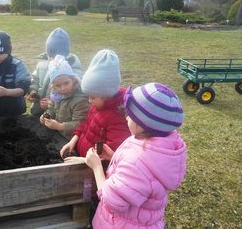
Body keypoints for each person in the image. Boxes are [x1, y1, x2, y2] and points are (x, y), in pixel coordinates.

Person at [79, 82, 187, 228]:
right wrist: (114, 157)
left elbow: (112, 202)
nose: (126, 118)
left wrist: (97, 167)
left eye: (130, 115)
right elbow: (144, 173)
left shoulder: (137, 162)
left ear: (143, 124)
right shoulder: (158, 144)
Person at [60, 49, 130, 158]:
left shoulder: (118, 118)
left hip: (92, 168)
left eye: (92, 97)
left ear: (105, 95)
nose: (89, 101)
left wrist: (81, 162)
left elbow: (110, 156)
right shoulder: (96, 106)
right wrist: (74, 140)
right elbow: (85, 124)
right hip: (82, 158)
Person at [27, 28, 83, 116]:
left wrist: (50, 104)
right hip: (38, 112)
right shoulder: (42, 65)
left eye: (59, 58)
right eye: (51, 57)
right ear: (48, 54)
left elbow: (74, 96)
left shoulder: (73, 71)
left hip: (59, 117)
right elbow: (35, 79)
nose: (55, 62)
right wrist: (33, 92)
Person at [40, 55, 89, 140]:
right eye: (58, 85)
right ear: (53, 86)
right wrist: (47, 115)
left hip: (72, 139)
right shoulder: (56, 95)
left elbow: (80, 123)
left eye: (66, 83)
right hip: (59, 134)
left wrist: (60, 126)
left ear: (73, 80)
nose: (63, 88)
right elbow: (52, 108)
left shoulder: (80, 100)